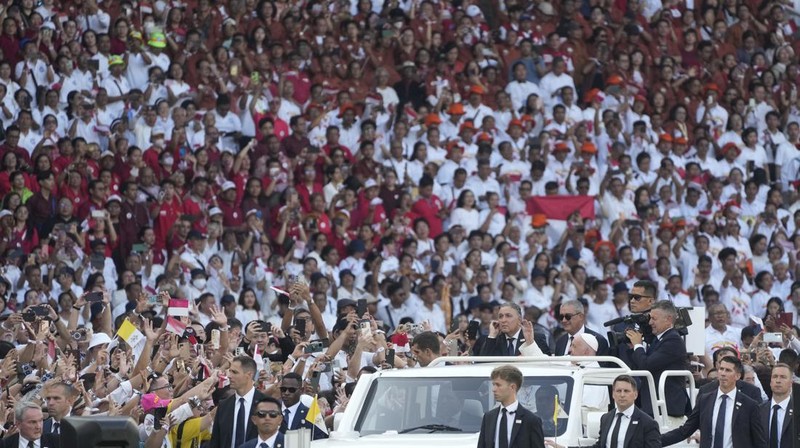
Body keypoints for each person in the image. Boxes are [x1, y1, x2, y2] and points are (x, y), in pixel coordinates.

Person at [661, 356, 766, 447]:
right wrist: (655, 441)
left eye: (728, 370)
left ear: (737, 376)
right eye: (721, 369)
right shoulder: (704, 400)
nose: (723, 374)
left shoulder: (749, 405)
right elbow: (685, 430)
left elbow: (759, 441)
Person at [545, 374, 660, 448]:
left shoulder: (648, 423)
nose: (622, 395)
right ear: (613, 394)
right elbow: (600, 446)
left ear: (635, 394)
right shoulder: (606, 418)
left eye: (626, 391)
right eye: (618, 391)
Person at [625, 300, 689, 420]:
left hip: (666, 407)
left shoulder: (672, 340)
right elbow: (639, 365)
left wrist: (638, 345)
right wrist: (633, 347)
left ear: (668, 319)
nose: (650, 322)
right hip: (653, 405)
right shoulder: (658, 339)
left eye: (654, 319)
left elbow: (646, 365)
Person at [476, 365, 545, 448]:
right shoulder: (488, 417)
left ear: (512, 387)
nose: (493, 389)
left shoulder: (531, 420)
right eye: (493, 384)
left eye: (498, 385)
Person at [208, 356, 266, 448]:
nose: (229, 376)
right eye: (230, 371)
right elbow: (215, 442)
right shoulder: (224, 406)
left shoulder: (266, 404)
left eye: (234, 372)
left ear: (249, 375)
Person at [477, 303, 550, 356]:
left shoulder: (536, 338)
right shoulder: (494, 340)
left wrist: (530, 342)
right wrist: (492, 336)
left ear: (519, 319)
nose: (503, 320)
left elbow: (546, 366)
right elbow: (482, 364)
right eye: (500, 316)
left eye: (508, 316)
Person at [278, 373, 327, 440]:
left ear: (301, 390)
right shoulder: (271, 413)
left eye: (291, 390)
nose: (286, 393)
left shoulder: (312, 414)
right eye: (283, 389)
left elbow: (321, 441)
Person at [760, 363, 793, 448]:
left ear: (791, 383)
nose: (778, 380)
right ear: (770, 382)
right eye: (775, 376)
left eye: (783, 377)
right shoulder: (759, 410)